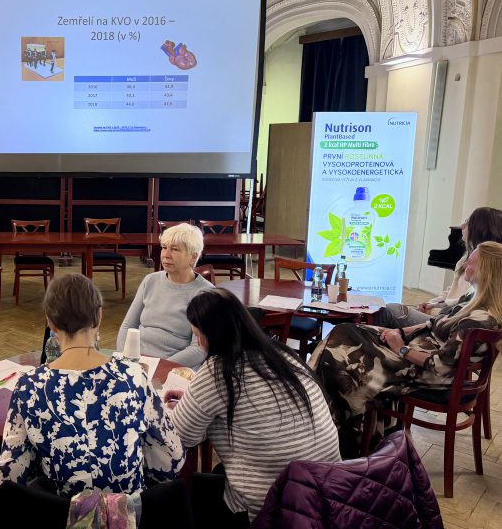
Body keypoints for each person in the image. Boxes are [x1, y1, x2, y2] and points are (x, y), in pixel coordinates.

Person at [0, 274, 184, 496]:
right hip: (128, 516)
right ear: (99, 317)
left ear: (50, 322)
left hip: (61, 515)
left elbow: (9, 476)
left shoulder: (29, 386)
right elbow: (173, 459)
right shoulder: (133, 376)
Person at [310, 241, 502, 456]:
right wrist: (402, 333)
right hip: (415, 353)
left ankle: (342, 435)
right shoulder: (472, 299)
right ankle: (332, 422)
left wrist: (401, 348)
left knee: (340, 360)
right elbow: (435, 323)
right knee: (345, 332)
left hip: (424, 372)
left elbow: (440, 366)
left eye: (472, 261)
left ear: (485, 271)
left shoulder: (481, 320)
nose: (465, 262)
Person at [166, 288, 340, 523]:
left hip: (269, 509)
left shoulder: (220, 372)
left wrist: (186, 407)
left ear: (213, 334)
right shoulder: (282, 356)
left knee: (176, 495)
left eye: (199, 335)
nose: (199, 342)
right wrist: (194, 401)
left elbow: (180, 436)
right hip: (327, 496)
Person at [370, 206, 502, 329]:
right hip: (444, 312)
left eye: (467, 222)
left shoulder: (488, 266)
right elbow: (451, 292)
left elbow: (467, 305)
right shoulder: (466, 258)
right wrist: (432, 302)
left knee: (391, 310)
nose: (462, 226)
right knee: (395, 311)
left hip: (450, 318)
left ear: (480, 229)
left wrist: (434, 309)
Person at [116, 223, 212, 369]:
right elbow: (128, 326)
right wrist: (126, 357)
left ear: (193, 257)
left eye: (174, 249)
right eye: (164, 247)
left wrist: (159, 367)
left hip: (173, 367)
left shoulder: (205, 293)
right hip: (136, 361)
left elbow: (199, 349)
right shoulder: (150, 280)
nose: (166, 254)